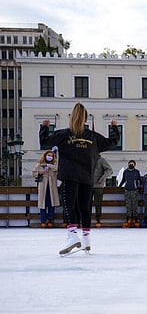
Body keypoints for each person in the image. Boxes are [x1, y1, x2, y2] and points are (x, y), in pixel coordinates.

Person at [39, 102, 119, 255]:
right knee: (84, 207)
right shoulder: (93, 137)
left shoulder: (63, 135)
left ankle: (72, 235)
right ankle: (87, 239)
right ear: (86, 118)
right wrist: (114, 128)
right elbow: (112, 142)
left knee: (69, 205)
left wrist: (44, 127)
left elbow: (45, 142)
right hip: (87, 176)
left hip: (70, 175)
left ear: (72, 117)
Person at [32, 149, 60, 228]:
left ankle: (50, 219)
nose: (49, 157)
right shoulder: (39, 164)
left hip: (52, 187)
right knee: (42, 204)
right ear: (45, 156)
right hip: (43, 186)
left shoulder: (54, 164)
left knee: (52, 203)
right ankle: (43, 220)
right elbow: (34, 173)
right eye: (48, 155)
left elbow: (57, 169)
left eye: (51, 156)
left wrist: (49, 165)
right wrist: (41, 172)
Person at [91, 154, 113, 228]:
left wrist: (103, 178)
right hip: (88, 185)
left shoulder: (101, 160)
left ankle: (98, 219)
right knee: (86, 203)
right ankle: (86, 219)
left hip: (98, 186)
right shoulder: (87, 158)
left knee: (98, 203)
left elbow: (109, 170)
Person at [119, 160, 142, 228]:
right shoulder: (125, 171)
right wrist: (120, 185)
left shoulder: (136, 171)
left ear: (134, 165)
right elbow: (123, 179)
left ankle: (135, 219)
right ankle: (128, 218)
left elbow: (139, 179)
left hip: (134, 190)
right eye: (130, 163)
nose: (131, 164)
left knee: (134, 205)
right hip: (127, 190)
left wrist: (140, 186)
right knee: (128, 205)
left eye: (132, 163)